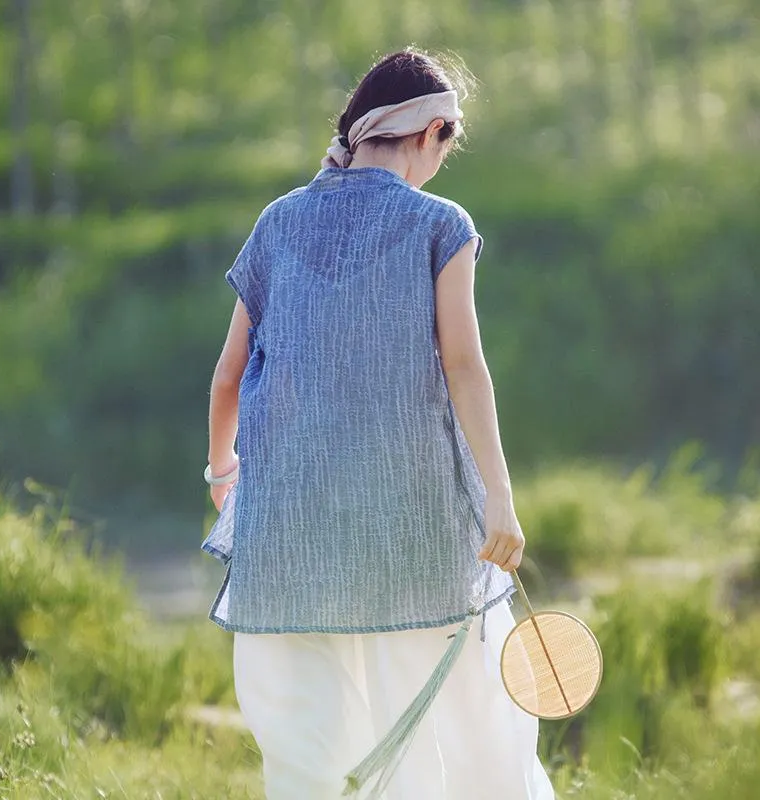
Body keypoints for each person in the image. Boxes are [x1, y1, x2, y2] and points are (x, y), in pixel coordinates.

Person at [202, 48, 555, 800]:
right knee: (453, 731)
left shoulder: (278, 222)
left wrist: (222, 473)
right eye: (448, 146)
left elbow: (229, 374)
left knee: (310, 751)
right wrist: (500, 494)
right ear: (432, 132)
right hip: (411, 528)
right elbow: (464, 368)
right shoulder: (439, 224)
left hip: (286, 534)